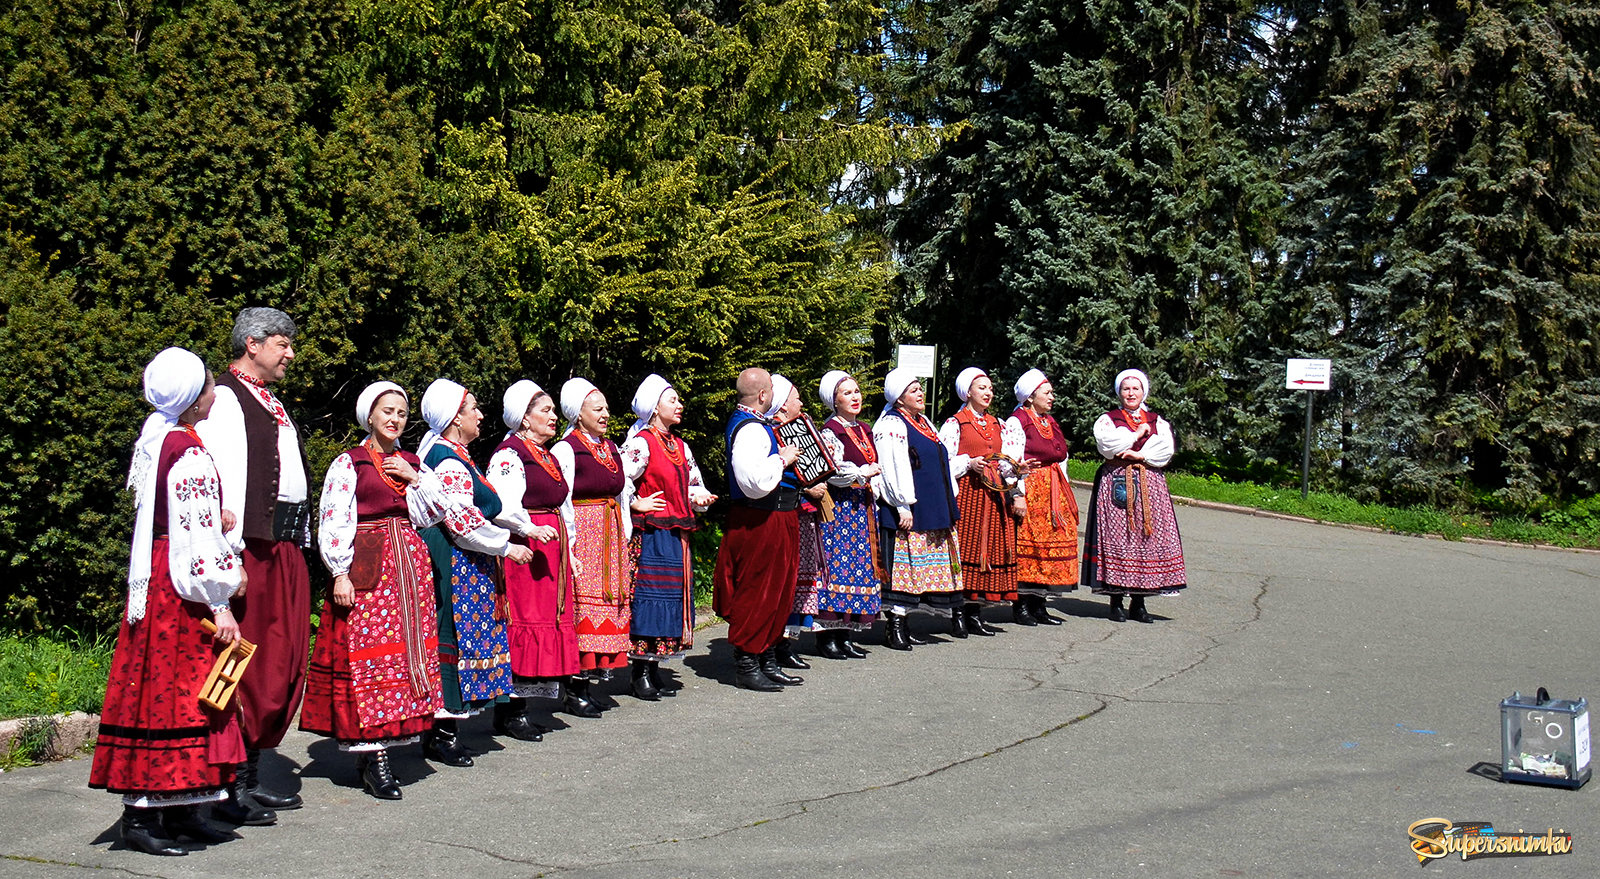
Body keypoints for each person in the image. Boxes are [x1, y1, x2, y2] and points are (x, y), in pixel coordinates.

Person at [90, 347, 247, 855]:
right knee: (179, 689)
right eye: (206, 385)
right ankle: (143, 818)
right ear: (191, 396)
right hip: (182, 584)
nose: (213, 392)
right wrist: (220, 602)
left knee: (160, 686)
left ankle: (183, 809)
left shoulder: (158, 440)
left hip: (159, 575)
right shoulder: (188, 450)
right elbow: (195, 537)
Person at [301, 382, 447, 799]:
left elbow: (437, 514)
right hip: (369, 567)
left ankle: (389, 745)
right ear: (369, 415)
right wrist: (339, 573)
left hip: (409, 571)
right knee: (369, 656)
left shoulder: (411, 461)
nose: (395, 419)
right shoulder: (351, 463)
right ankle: (372, 757)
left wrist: (415, 479)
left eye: (401, 413)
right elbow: (333, 518)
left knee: (405, 655)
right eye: (387, 411)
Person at [197, 307, 308, 822]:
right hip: (250, 551)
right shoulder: (226, 401)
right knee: (241, 662)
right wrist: (231, 556)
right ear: (254, 343)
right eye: (283, 343)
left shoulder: (271, 402)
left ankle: (251, 771)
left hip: (282, 547)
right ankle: (226, 783)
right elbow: (220, 482)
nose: (290, 353)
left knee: (278, 663)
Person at [416, 380, 532, 757]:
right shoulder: (448, 460)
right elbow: (461, 520)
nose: (481, 415)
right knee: (452, 633)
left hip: (463, 554)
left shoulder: (455, 454)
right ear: (454, 419)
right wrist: (506, 546)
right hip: (454, 556)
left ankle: (446, 729)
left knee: (458, 635)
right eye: (474, 409)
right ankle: (441, 734)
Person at [486, 381, 593, 723]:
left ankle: (524, 705)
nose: (553, 417)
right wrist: (528, 528)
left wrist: (570, 549)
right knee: (523, 623)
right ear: (524, 419)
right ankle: (511, 711)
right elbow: (500, 506)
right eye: (544, 411)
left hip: (550, 551)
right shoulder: (510, 454)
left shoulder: (545, 456)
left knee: (547, 622)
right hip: (524, 552)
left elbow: (563, 506)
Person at [620, 375, 716, 700]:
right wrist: (635, 503)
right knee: (649, 598)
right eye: (672, 400)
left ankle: (654, 667)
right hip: (651, 534)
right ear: (654, 406)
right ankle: (639, 672)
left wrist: (698, 496)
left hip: (675, 534)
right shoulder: (641, 442)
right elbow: (618, 477)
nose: (679, 405)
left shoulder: (680, 445)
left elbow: (691, 482)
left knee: (671, 599)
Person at [711, 368, 804, 691]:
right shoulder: (751, 429)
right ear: (764, 396)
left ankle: (766, 657)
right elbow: (752, 482)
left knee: (778, 591)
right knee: (758, 591)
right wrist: (782, 459)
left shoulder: (759, 425)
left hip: (776, 518)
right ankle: (747, 662)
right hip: (760, 519)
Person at [1083, 368, 1187, 622]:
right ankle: (1116, 601)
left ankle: (1139, 602)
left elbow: (1165, 448)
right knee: (1118, 538)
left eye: (1135, 388)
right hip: (1117, 482)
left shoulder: (1156, 420)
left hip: (1149, 484)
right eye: (1126, 389)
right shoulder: (1108, 419)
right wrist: (1136, 436)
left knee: (1144, 539)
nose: (1131, 393)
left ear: (1144, 392)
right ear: (1119, 392)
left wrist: (1140, 454)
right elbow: (1109, 446)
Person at [873, 368, 964, 650]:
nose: (920, 393)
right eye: (913, 390)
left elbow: (942, 459)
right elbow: (891, 467)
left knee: (920, 570)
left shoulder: (923, 421)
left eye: (920, 388)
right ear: (899, 398)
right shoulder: (891, 425)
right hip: (911, 508)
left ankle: (907, 623)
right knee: (905, 567)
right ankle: (895, 625)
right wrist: (902, 504)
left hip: (932, 507)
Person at [554, 379, 634, 697]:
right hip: (585, 534)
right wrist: (570, 544)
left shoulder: (610, 447)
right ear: (578, 414)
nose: (605, 414)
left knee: (608, 605)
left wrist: (623, 533)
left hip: (609, 533)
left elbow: (623, 493)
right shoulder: (566, 448)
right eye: (597, 408)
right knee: (583, 609)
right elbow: (564, 498)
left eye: (606, 408)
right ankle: (576, 688)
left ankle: (593, 679)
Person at [940, 367, 1024, 637]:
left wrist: (1017, 468)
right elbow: (944, 461)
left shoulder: (999, 423)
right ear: (967, 392)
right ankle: (958, 614)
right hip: (969, 494)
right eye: (981, 388)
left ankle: (975, 613)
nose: (988, 393)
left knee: (989, 550)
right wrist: (968, 462)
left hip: (994, 494)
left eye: (989, 388)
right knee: (968, 548)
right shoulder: (956, 423)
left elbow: (1006, 462)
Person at [814, 370, 884, 659]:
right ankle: (828, 636)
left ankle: (846, 634)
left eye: (856, 392)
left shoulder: (864, 429)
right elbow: (832, 470)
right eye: (847, 393)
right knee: (838, 569)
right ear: (834, 400)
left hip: (862, 509)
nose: (855, 397)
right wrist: (862, 474)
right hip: (840, 510)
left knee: (858, 570)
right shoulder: (831, 431)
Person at [1005, 369, 1078, 625]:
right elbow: (1011, 461)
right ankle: (1022, 604)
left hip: (1053, 489)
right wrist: (1018, 494)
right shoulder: (1018, 421)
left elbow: (1062, 457)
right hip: (1032, 488)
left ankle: (1040, 604)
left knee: (1050, 545)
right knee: (1030, 545)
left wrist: (1064, 490)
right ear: (1030, 396)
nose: (1052, 397)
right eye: (1047, 393)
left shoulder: (1050, 421)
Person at [769, 375, 820, 671]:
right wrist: (807, 487)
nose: (801, 403)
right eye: (796, 398)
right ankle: (775, 643)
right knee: (784, 577)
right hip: (785, 511)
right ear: (781, 405)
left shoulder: (798, 430)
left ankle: (786, 643)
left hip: (802, 515)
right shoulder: (771, 434)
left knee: (800, 576)